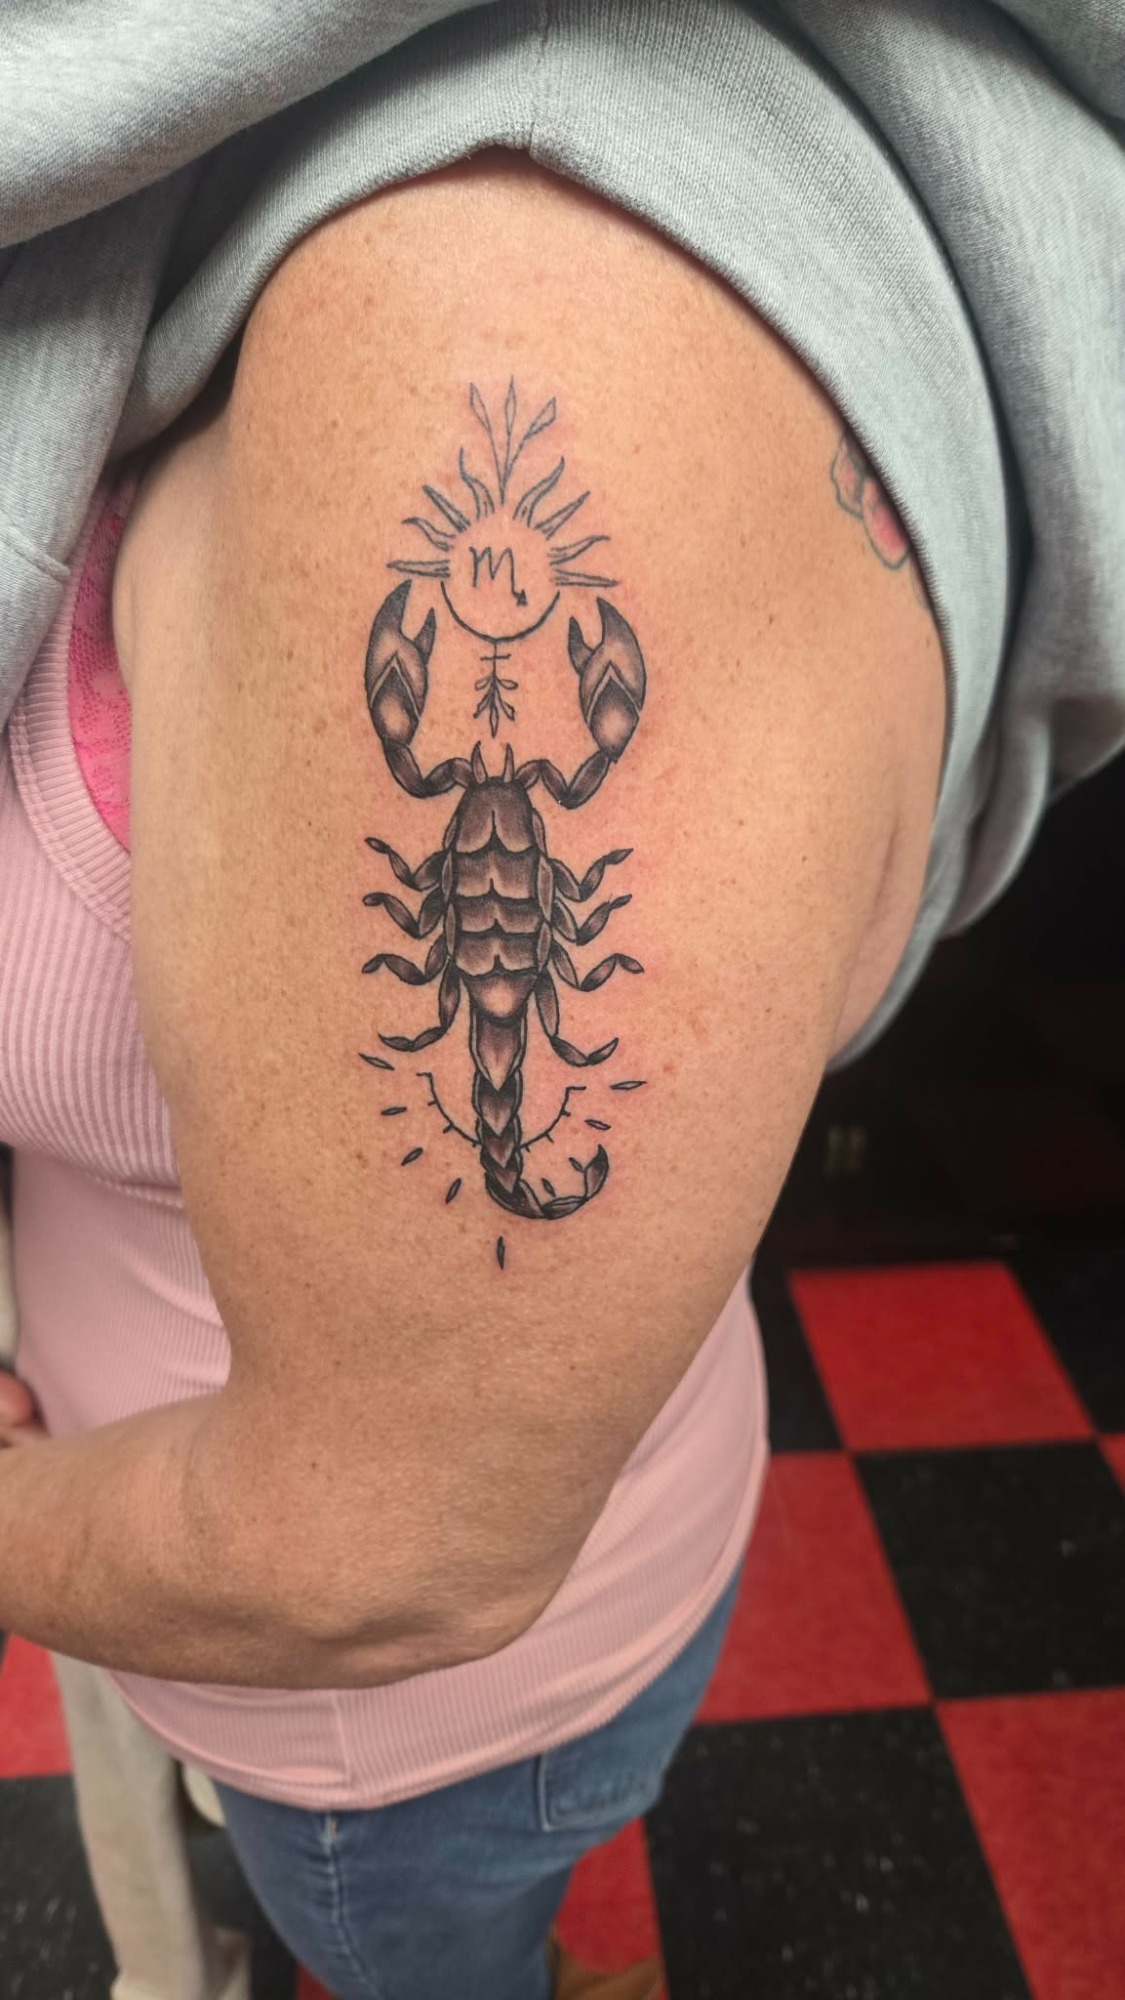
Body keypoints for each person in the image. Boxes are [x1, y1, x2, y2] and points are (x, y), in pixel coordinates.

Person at [0, 5, 1122, 1997]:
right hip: (369, 1532)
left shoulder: (506, 311)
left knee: (415, 1953)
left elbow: (377, 1547)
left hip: (395, 1737)